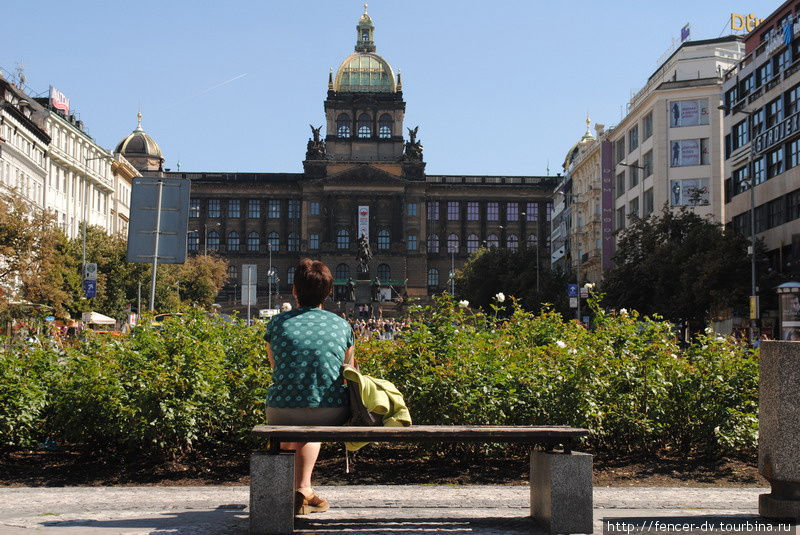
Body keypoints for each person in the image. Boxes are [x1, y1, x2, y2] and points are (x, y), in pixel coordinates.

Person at [264, 258, 354, 515]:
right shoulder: (342, 325)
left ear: (294, 291)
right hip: (329, 409)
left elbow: (275, 365)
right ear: (328, 292)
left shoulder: (277, 323)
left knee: (293, 420)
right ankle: (303, 489)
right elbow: (348, 371)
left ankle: (294, 492)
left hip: (281, 408)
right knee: (311, 425)